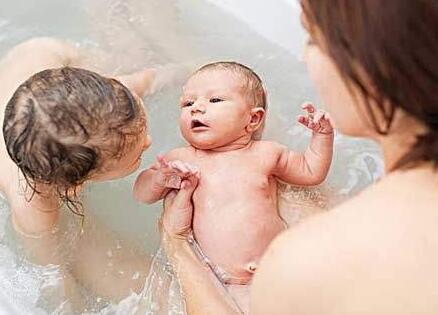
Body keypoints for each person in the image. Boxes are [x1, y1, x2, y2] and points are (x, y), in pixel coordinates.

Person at [161, 1, 438, 314]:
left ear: (370, 66)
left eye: (313, 39)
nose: (306, 55)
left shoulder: (298, 264)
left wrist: (177, 243)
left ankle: (167, 42)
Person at [133, 62, 334, 291]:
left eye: (215, 100)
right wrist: (159, 178)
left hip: (279, 268)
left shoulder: (267, 153)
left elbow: (311, 171)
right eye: (187, 103)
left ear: (254, 120)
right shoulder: (180, 159)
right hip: (223, 283)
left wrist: (322, 137)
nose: (196, 108)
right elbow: (141, 194)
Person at [0, 37, 157, 308]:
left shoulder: (113, 107)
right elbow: (53, 272)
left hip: (46, 54)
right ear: (74, 187)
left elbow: (152, 79)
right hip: (34, 83)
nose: (148, 142)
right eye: (137, 155)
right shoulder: (34, 208)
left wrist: (188, 71)